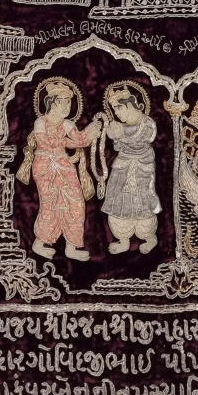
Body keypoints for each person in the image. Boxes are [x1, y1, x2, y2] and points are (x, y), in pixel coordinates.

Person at [17, 79, 101, 261]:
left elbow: (80, 139)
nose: (66, 107)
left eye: (68, 103)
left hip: (63, 164)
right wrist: (73, 141)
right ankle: (39, 243)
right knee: (49, 204)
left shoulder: (67, 124)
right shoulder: (40, 122)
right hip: (44, 165)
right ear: (52, 102)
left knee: (76, 202)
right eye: (62, 102)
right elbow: (45, 141)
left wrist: (91, 131)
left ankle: (72, 246)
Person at [101, 83, 161, 254]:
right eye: (114, 110)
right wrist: (116, 135)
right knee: (119, 199)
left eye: (119, 109)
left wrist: (120, 134)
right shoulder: (120, 126)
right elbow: (118, 146)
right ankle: (123, 240)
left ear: (130, 105)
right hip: (122, 167)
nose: (117, 114)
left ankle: (150, 238)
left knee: (143, 200)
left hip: (142, 167)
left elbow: (143, 140)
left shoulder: (147, 124)